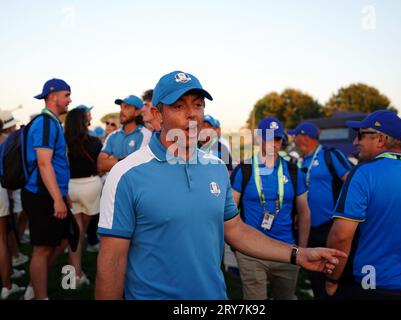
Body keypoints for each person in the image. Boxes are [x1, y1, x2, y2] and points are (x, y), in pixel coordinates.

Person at [95, 70, 346, 300]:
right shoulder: (126, 174)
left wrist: (298, 254)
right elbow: (112, 262)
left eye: (198, 105)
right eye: (178, 106)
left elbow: (236, 230)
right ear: (158, 115)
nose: (192, 114)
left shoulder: (215, 167)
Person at [326, 110, 401, 300]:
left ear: (380, 139)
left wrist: (332, 278)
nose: (355, 142)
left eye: (360, 135)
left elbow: (341, 236)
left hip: (375, 287)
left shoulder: (363, 173)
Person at [230, 116, 311, 300]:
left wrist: (303, 249)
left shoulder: (292, 170)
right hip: (250, 251)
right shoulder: (245, 169)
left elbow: (305, 212)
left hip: (286, 249)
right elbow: (230, 209)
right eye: (268, 138)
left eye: (277, 139)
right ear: (259, 139)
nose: (273, 143)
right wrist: (236, 245)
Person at [288, 122, 353, 299]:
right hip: (309, 228)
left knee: (335, 273)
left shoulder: (330, 155)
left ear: (304, 137)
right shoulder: (301, 161)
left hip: (330, 226)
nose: (293, 140)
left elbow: (352, 183)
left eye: (296, 136)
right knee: (316, 276)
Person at [21, 78, 73, 300]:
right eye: (67, 95)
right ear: (53, 96)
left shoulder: (51, 122)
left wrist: (64, 194)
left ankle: (35, 284)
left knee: (64, 238)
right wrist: (57, 199)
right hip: (41, 195)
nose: (70, 100)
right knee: (42, 249)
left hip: (50, 193)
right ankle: (39, 295)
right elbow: (44, 163)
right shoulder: (45, 123)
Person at [64, 108, 103, 287]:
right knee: (81, 232)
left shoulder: (63, 142)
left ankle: (74, 275)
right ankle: (76, 275)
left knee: (75, 234)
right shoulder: (95, 142)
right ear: (83, 121)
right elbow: (101, 166)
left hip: (70, 187)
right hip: (90, 187)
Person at [0, 117, 25, 299]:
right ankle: (7, 286)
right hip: (1, 189)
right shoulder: (4, 140)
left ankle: (8, 274)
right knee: (2, 238)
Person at [97, 95, 151, 176]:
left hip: (134, 186)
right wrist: (122, 161)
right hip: (113, 185)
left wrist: (112, 161)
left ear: (137, 112)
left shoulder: (145, 134)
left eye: (127, 107)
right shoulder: (113, 135)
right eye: (121, 107)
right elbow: (101, 164)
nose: (122, 111)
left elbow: (138, 166)